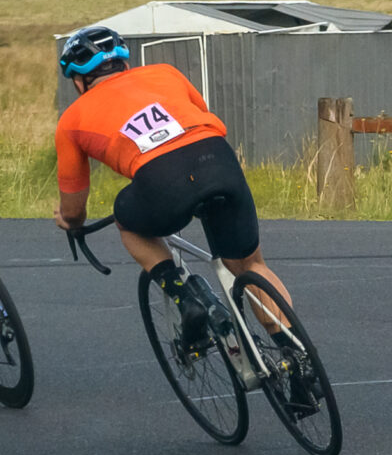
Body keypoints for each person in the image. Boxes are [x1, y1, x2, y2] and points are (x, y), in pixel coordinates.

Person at [48, 26, 303, 390]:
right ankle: (299, 359)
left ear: (78, 80)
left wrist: (69, 221)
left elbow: (74, 210)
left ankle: (187, 300)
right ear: (122, 62)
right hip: (217, 159)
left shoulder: (71, 120)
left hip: (161, 179)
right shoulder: (165, 73)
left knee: (128, 220)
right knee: (250, 266)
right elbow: (196, 113)